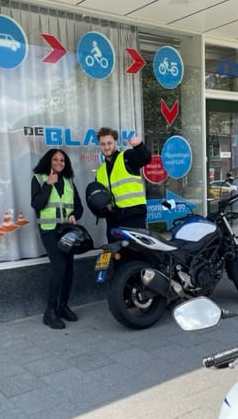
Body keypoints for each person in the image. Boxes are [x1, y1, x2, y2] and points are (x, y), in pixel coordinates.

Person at [31, 149, 83, 329]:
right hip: (49, 230)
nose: (59, 162)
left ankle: (62, 307)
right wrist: (48, 184)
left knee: (68, 268)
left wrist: (74, 215)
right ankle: (50, 311)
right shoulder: (39, 178)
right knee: (59, 266)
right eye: (55, 159)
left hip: (66, 231)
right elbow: (36, 204)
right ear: (49, 161)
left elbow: (78, 207)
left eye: (62, 160)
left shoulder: (69, 181)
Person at [95, 127, 151, 241]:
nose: (106, 147)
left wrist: (139, 146)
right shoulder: (100, 171)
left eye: (109, 143)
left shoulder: (127, 157)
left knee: (136, 254)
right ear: (100, 146)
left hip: (133, 216)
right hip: (113, 219)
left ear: (115, 142)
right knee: (115, 255)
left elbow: (145, 158)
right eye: (103, 144)